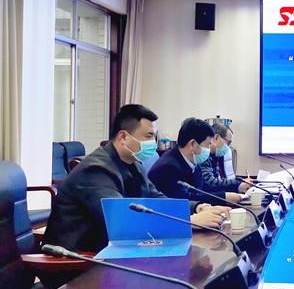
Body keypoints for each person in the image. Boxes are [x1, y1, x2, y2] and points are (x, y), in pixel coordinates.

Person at [42, 105, 228, 254]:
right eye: (148, 136)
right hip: (78, 262)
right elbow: (124, 222)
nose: (153, 143)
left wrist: (198, 207)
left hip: (113, 252)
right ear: (123, 137)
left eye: (154, 136)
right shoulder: (95, 170)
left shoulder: (134, 165)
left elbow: (158, 200)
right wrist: (191, 221)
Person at [149, 118, 244, 206]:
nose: (208, 149)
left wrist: (236, 187)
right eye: (207, 145)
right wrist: (223, 197)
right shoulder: (168, 168)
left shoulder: (193, 161)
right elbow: (185, 198)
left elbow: (206, 187)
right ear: (192, 144)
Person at [200, 123, 250, 194]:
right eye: (228, 143)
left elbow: (218, 180)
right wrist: (238, 184)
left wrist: (242, 181)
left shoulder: (215, 156)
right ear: (216, 138)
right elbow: (210, 183)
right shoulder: (202, 156)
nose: (228, 147)